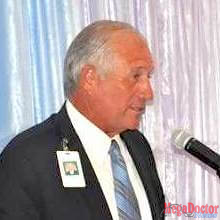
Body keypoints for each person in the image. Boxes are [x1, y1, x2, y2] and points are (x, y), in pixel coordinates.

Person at [0, 20, 165, 220]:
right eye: (136, 75)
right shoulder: (27, 159)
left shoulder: (138, 146)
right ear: (90, 78)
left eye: (148, 77)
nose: (148, 93)